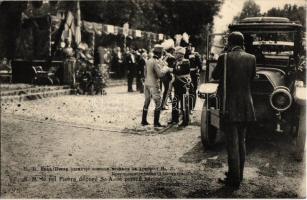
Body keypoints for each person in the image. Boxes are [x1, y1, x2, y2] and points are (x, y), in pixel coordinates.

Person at [212, 32, 256, 188]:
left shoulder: (224, 58)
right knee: (241, 142)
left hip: (229, 106)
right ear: (242, 43)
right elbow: (252, 78)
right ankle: (239, 175)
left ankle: (233, 180)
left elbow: (214, 75)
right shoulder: (251, 58)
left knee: (232, 143)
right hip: (246, 106)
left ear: (229, 42)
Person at [141, 45, 172, 127]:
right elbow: (160, 74)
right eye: (162, 53)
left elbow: (145, 73)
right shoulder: (155, 61)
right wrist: (166, 69)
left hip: (146, 83)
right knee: (158, 102)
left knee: (146, 102)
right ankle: (156, 123)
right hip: (154, 84)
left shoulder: (148, 60)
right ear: (159, 53)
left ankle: (143, 120)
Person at [168, 46, 191, 126]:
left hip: (183, 85)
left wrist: (171, 70)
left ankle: (185, 120)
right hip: (176, 85)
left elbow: (180, 71)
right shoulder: (175, 62)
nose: (175, 54)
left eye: (176, 53)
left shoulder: (186, 62)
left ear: (181, 54)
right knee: (175, 102)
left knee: (184, 103)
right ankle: (175, 119)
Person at [185, 44, 202, 110]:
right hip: (190, 74)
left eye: (188, 46)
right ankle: (190, 107)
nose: (188, 48)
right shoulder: (194, 54)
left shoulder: (194, 54)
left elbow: (200, 65)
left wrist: (198, 72)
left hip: (190, 75)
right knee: (191, 90)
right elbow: (200, 65)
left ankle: (191, 106)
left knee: (192, 90)